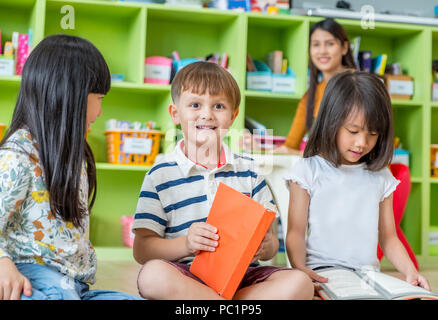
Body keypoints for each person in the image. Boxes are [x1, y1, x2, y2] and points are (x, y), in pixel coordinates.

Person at [132, 61, 314, 300]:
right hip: (186, 276)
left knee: (300, 283)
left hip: (243, 277)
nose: (207, 114)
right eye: (195, 105)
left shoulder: (250, 171)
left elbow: (270, 244)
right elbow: (142, 249)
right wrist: (186, 244)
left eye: (218, 106)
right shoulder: (160, 174)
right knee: (152, 276)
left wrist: (263, 247)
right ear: (175, 114)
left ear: (233, 116)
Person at [0, 34, 142, 300]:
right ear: (68, 96)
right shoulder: (17, 156)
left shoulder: (71, 156)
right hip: (31, 280)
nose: (100, 112)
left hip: (73, 286)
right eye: (98, 98)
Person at [285, 71, 430, 298]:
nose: (362, 143)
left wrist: (410, 272)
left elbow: (389, 238)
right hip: (321, 273)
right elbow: (295, 232)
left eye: (372, 133)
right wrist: (300, 270)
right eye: (353, 131)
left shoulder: (380, 175)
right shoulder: (308, 170)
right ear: (331, 122)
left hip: (367, 276)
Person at [242, 18, 356, 155]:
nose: (322, 51)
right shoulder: (310, 96)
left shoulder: (359, 86)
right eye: (316, 45)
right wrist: (258, 149)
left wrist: (295, 153)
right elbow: (291, 145)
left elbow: (350, 152)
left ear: (344, 48)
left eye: (330, 44)